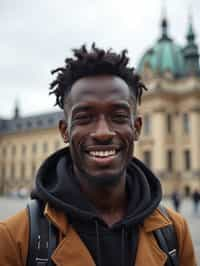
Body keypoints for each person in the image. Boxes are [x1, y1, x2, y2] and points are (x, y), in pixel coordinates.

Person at [0, 44, 196, 266]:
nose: (103, 132)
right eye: (85, 117)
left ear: (137, 127)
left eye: (119, 116)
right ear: (65, 130)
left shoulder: (174, 233)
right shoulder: (14, 239)